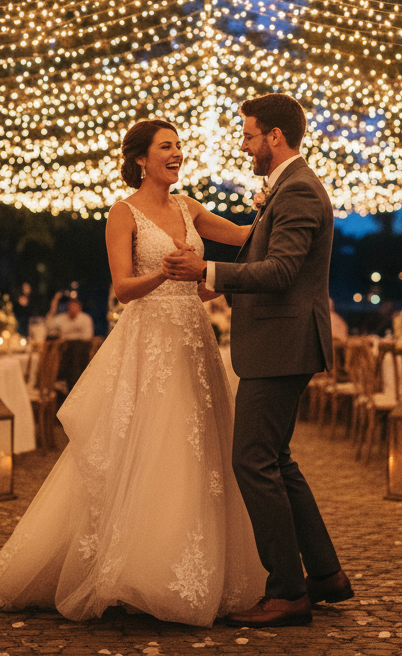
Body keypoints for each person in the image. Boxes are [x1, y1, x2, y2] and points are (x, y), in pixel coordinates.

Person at [0, 118, 264, 626]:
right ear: (141, 158)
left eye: (179, 146)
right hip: (150, 342)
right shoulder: (123, 213)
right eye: (166, 147)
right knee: (148, 445)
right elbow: (122, 288)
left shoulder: (188, 207)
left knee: (199, 449)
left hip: (194, 339)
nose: (177, 154)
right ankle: (129, 571)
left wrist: (269, 208)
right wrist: (163, 273)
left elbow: (245, 237)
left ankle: (183, 568)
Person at [164, 93, 350, 627]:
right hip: (281, 342)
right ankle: (326, 575)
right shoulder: (287, 188)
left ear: (274, 136)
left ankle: (287, 591)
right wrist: (222, 286)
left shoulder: (299, 191)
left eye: (248, 136)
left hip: (282, 344)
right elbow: (268, 259)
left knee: (252, 459)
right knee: (277, 460)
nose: (244, 145)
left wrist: (209, 272)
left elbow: (282, 271)